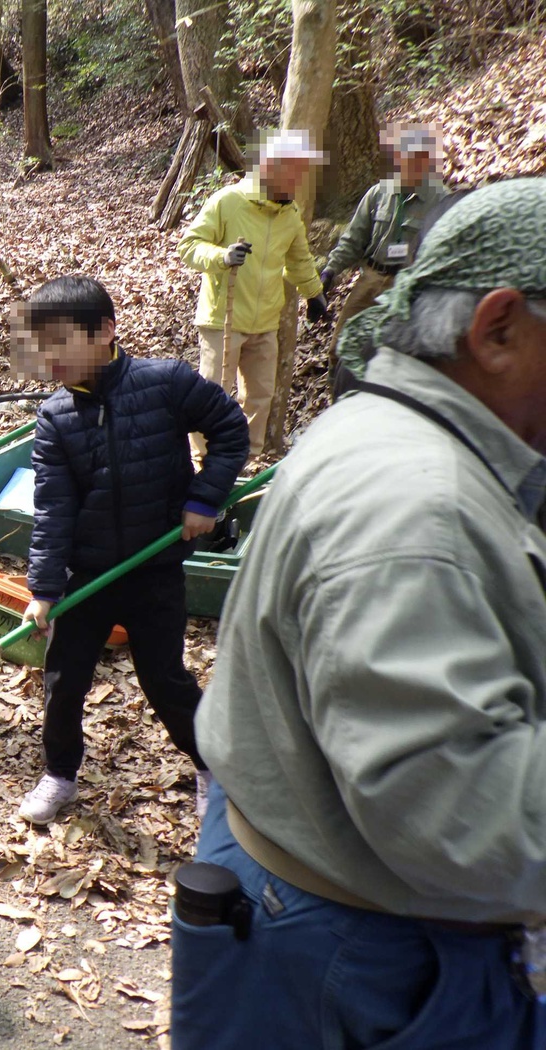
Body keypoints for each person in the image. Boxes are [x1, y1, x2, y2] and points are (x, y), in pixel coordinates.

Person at [172, 178, 546, 1048]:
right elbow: (452, 804)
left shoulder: (402, 436)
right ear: (497, 330)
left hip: (340, 916)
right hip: (355, 951)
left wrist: (308, 290)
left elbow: (306, 257)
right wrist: (220, 260)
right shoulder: (413, 512)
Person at [10, 276, 249, 825]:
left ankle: (211, 766)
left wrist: (204, 498)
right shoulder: (56, 417)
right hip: (87, 575)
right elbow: (53, 509)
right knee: (63, 680)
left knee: (164, 680)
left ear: (105, 331)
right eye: (41, 345)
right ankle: (60, 773)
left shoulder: (165, 382)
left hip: (154, 570)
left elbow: (231, 430)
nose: (49, 357)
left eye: (61, 341)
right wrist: (44, 589)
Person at [178, 129, 331, 458]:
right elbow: (189, 246)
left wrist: (314, 294)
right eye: (294, 171)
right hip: (223, 318)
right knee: (212, 392)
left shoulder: (290, 213)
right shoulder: (228, 202)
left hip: (265, 322)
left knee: (260, 395)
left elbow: (298, 260)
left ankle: (246, 461)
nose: (299, 180)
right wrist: (222, 257)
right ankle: (203, 460)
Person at [322, 124, 449, 391]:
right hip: (372, 278)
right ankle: (338, 394)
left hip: (408, 286)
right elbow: (353, 239)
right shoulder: (379, 193)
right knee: (341, 345)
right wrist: (330, 271)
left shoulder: (440, 199)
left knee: (398, 353)